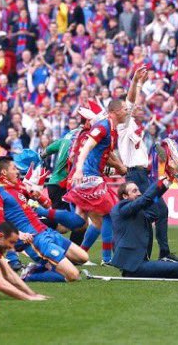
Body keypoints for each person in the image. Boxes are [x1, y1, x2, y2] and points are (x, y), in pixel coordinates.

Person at [117, 67, 178, 262]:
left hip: (141, 176)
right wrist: (136, 82)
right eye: (129, 108)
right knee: (155, 212)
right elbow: (130, 101)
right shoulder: (123, 125)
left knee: (154, 212)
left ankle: (151, 254)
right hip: (136, 177)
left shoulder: (134, 127)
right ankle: (153, 254)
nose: (136, 107)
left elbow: (132, 102)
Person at [0, 156, 89, 282]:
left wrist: (39, 197)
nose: (18, 171)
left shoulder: (18, 188)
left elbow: (47, 203)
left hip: (46, 231)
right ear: (4, 172)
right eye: (14, 168)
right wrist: (19, 234)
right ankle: (29, 275)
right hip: (35, 239)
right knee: (73, 275)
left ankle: (45, 266)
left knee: (83, 257)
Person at [65, 99, 129, 264]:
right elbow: (86, 147)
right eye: (124, 109)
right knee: (109, 212)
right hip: (87, 175)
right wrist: (79, 169)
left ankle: (79, 254)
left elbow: (102, 157)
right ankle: (107, 259)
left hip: (94, 175)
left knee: (95, 221)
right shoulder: (102, 127)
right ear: (114, 112)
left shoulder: (112, 130)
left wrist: (118, 169)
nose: (127, 111)